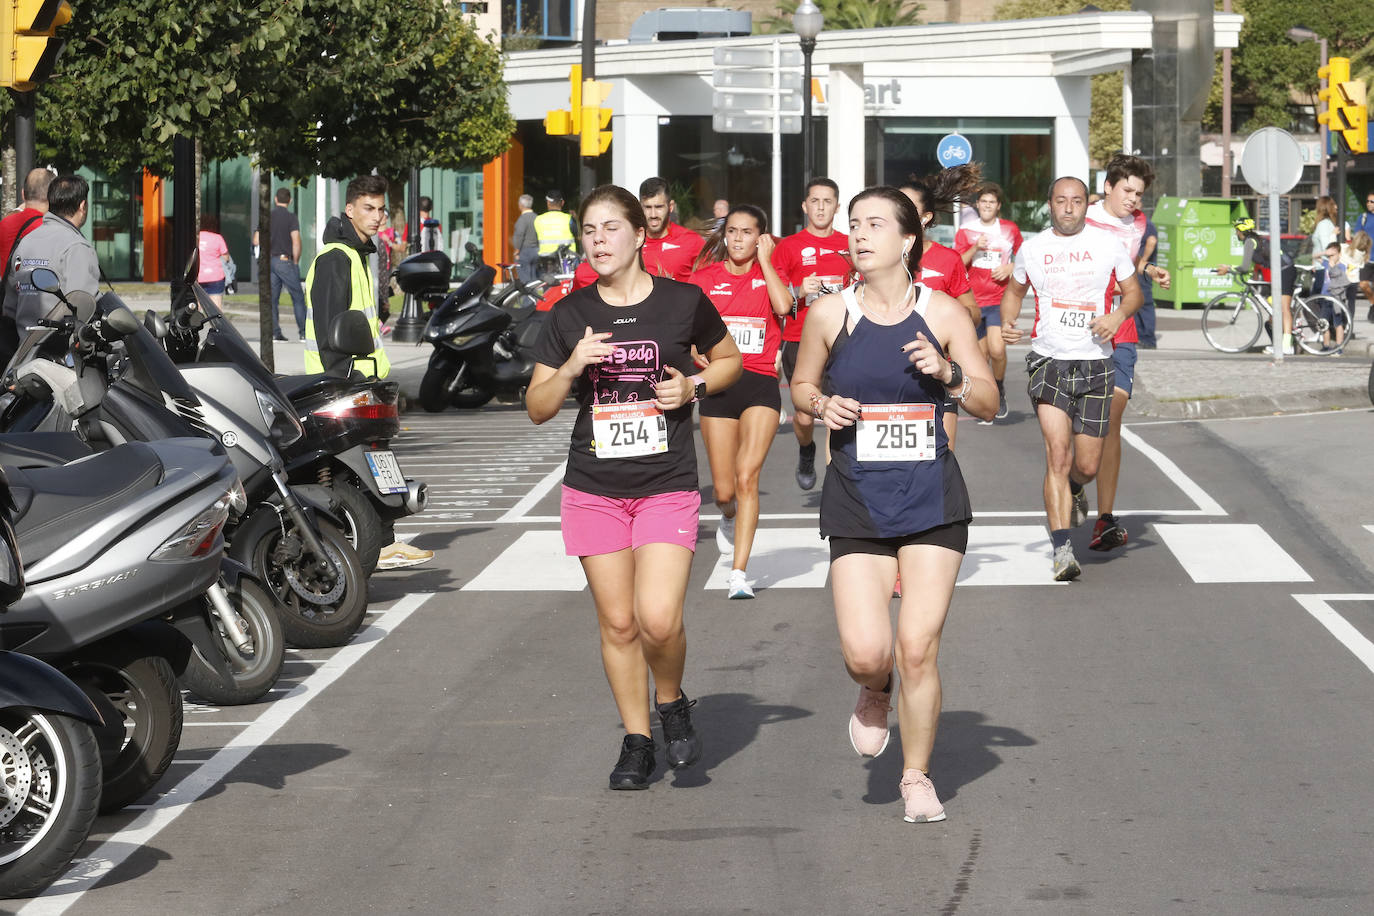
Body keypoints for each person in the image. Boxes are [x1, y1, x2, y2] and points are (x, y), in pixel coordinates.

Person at [789, 186, 995, 823]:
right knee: (868, 654)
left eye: (875, 224)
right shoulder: (830, 314)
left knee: (917, 648)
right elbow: (798, 385)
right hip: (856, 497)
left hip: (932, 498)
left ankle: (915, 776)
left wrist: (950, 374)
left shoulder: (945, 313)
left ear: (908, 240)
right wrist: (821, 405)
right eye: (854, 224)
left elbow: (990, 402)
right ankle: (873, 690)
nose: (858, 234)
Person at [526, 183, 742, 790]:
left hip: (665, 482)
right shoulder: (570, 314)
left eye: (609, 229)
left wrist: (692, 389)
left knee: (658, 619)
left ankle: (670, 701)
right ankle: (637, 737)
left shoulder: (683, 302)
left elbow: (728, 362)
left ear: (639, 235)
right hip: (593, 485)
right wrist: (571, 366)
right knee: (619, 623)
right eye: (588, 231)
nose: (598, 241)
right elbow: (537, 407)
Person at [999, 177, 1142, 581]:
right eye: (1061, 201)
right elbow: (1013, 290)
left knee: (1087, 464)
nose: (1068, 208)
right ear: (1049, 205)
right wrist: (1009, 321)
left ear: (1086, 205)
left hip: (1096, 363)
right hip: (1049, 361)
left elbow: (1133, 294)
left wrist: (1117, 316)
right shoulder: (1034, 247)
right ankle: (1062, 549)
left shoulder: (1107, 245)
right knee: (1057, 455)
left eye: (1076, 201)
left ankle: (1078, 487)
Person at [304, 175, 434, 573]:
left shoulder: (357, 254)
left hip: (363, 382)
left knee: (373, 466)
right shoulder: (336, 258)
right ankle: (376, 544)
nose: (377, 217)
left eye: (380, 209)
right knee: (353, 469)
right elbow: (330, 330)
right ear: (349, 210)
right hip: (341, 383)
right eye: (368, 208)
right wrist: (344, 379)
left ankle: (385, 540)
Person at [688, 204, 792, 599]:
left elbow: (784, 308)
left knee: (748, 476)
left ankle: (738, 573)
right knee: (724, 491)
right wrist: (696, 352)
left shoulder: (770, 276)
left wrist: (766, 262)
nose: (737, 238)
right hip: (717, 386)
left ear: (760, 237)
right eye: (732, 231)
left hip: (761, 384)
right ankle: (728, 518)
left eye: (748, 232)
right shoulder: (704, 279)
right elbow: (688, 331)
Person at [1084, 155, 1171, 555]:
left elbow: (1129, 266)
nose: (1134, 199)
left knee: (1112, 415)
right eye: (1128, 191)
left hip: (1123, 327)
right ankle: (1072, 483)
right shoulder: (1081, 218)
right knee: (1082, 430)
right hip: (1081, 327)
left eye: (1139, 193)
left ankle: (1105, 517)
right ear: (1108, 187)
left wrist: (1149, 272)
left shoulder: (1137, 224)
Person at [773, 177, 848, 491]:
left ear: (837, 206)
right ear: (805, 206)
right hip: (798, 338)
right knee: (804, 416)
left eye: (827, 201)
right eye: (814, 201)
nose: (820, 207)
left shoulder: (849, 244)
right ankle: (806, 450)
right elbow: (778, 304)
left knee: (839, 407)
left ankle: (838, 476)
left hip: (840, 339)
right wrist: (798, 291)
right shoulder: (788, 247)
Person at [900, 165, 982, 449]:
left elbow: (973, 312)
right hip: (888, 369)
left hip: (936, 372)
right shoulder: (878, 259)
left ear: (925, 218)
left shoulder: (948, 260)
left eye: (907, 207)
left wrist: (946, 317)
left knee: (940, 457)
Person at [955, 182, 1022, 421]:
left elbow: (1025, 258)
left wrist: (1010, 266)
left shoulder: (1009, 229)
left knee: (997, 348)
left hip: (998, 299)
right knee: (981, 358)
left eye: (991, 202)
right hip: (973, 301)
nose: (987, 206)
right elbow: (958, 263)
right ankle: (990, 398)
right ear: (978, 204)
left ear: (998, 206)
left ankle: (1000, 387)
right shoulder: (966, 230)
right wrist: (975, 247)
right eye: (983, 202)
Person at [6, 174, 99, 342]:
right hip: (60, 358)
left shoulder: (25, 242)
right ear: (82, 206)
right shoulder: (77, 247)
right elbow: (85, 311)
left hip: (23, 355)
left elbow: (10, 307)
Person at [1216, 218, 1296, 355]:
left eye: (1236, 230)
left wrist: (1228, 269)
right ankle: (1279, 345)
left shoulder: (1249, 242)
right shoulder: (1254, 241)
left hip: (1285, 270)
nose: (1236, 233)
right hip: (1281, 271)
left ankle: (1287, 346)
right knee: (1272, 318)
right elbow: (1250, 268)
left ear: (1241, 230)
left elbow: (1244, 266)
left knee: (1283, 309)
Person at [0, 167, 53, 366]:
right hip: (33, 322)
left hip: (6, 317)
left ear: (23, 194)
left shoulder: (5, 223)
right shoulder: (47, 229)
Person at [252, 188, 306, 341]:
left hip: (269, 262)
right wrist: (295, 262)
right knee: (298, 297)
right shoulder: (291, 218)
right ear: (290, 201)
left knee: (272, 299)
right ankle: (303, 332)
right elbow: (296, 241)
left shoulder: (267, 216)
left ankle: (275, 333)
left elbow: (256, 240)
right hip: (284, 261)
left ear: (275, 199)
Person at [1135, 214, 1160, 348]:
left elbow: (1151, 241)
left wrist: (1143, 262)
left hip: (1144, 271)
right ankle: (1140, 336)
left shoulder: (1146, 223)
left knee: (1145, 304)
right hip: (1139, 269)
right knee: (1136, 303)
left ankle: (1148, 339)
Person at [197, 215, 231, 307]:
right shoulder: (217, 238)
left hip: (198, 276)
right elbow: (226, 258)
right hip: (215, 276)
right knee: (216, 309)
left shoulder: (195, 238)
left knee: (197, 307)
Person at [534, 189, 577, 260]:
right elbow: (578, 235)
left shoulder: (538, 219)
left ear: (548, 202)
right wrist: (576, 218)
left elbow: (534, 239)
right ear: (562, 203)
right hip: (567, 260)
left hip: (546, 260)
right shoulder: (569, 219)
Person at [510, 193, 539, 282]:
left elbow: (519, 234)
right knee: (534, 279)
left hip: (525, 251)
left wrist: (517, 250)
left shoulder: (522, 219)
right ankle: (535, 295)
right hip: (536, 250)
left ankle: (527, 296)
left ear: (521, 205)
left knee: (525, 280)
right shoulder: (537, 217)